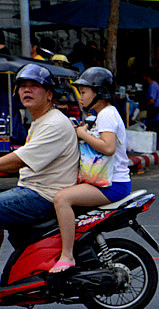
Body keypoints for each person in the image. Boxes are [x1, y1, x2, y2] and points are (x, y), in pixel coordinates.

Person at [0, 64, 78, 300]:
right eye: (23, 86)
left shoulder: (54, 123)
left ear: (49, 94)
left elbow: (17, 161)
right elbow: (20, 154)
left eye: (34, 86)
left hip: (43, 195)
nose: (27, 90)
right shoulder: (41, 120)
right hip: (36, 190)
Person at [48, 67, 131, 274]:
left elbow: (108, 148)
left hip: (113, 184)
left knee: (62, 199)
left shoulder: (107, 115)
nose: (80, 97)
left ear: (99, 93)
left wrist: (82, 134)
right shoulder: (102, 114)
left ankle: (67, 256)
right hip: (107, 180)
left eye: (84, 92)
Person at [139, 69, 159, 140]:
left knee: (139, 117)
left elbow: (151, 101)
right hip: (157, 108)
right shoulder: (154, 84)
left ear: (147, 77)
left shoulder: (152, 85)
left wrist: (143, 107)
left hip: (156, 109)